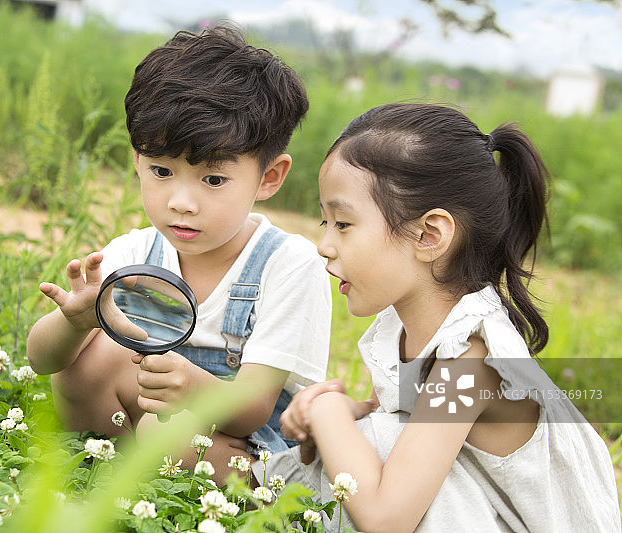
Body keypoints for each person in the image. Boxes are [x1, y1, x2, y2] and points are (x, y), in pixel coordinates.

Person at [265, 103, 621, 531]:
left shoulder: (470, 361)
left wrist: (327, 412)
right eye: (326, 222)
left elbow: (386, 518)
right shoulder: (410, 328)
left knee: (369, 445)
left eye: (342, 223)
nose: (324, 245)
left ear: (429, 235)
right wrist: (345, 411)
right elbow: (394, 419)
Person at [26, 25, 331, 483]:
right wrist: (75, 322)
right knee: (83, 364)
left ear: (269, 177)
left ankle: (153, 487)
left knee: (164, 431)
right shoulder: (135, 251)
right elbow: (43, 361)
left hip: (246, 450)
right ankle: (103, 474)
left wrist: (190, 386)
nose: (181, 203)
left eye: (213, 179)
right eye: (162, 171)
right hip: (158, 426)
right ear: (138, 161)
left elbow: (251, 409)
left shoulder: (288, 264)